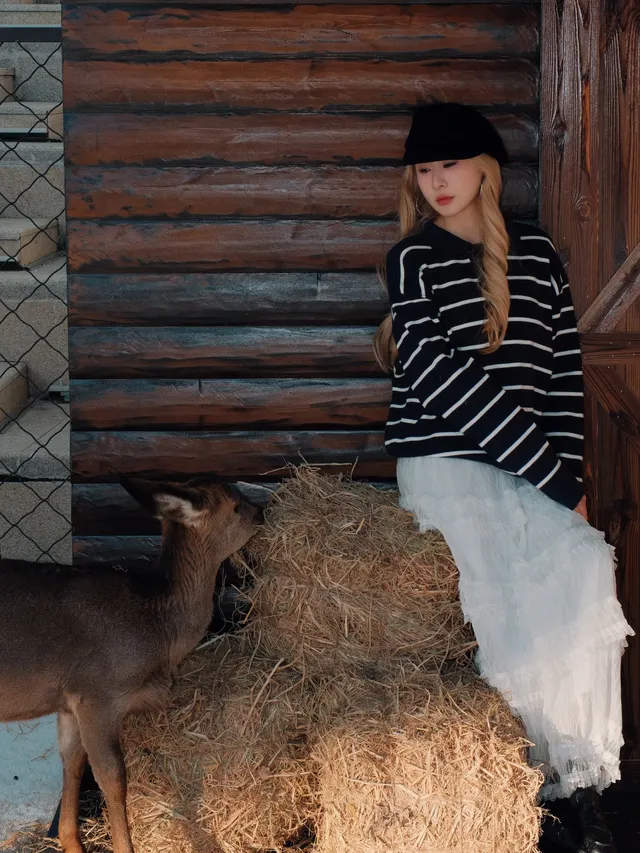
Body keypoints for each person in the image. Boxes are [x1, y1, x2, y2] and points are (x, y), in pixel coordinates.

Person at [373, 101, 635, 853]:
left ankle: (577, 786)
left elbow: (560, 376)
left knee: (581, 578)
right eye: (424, 169)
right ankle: (512, 790)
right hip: (449, 463)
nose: (436, 181)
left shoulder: (538, 253)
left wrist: (566, 479)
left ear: (484, 168)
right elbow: (442, 381)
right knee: (504, 616)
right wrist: (551, 476)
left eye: (450, 164)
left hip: (530, 465)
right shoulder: (412, 259)